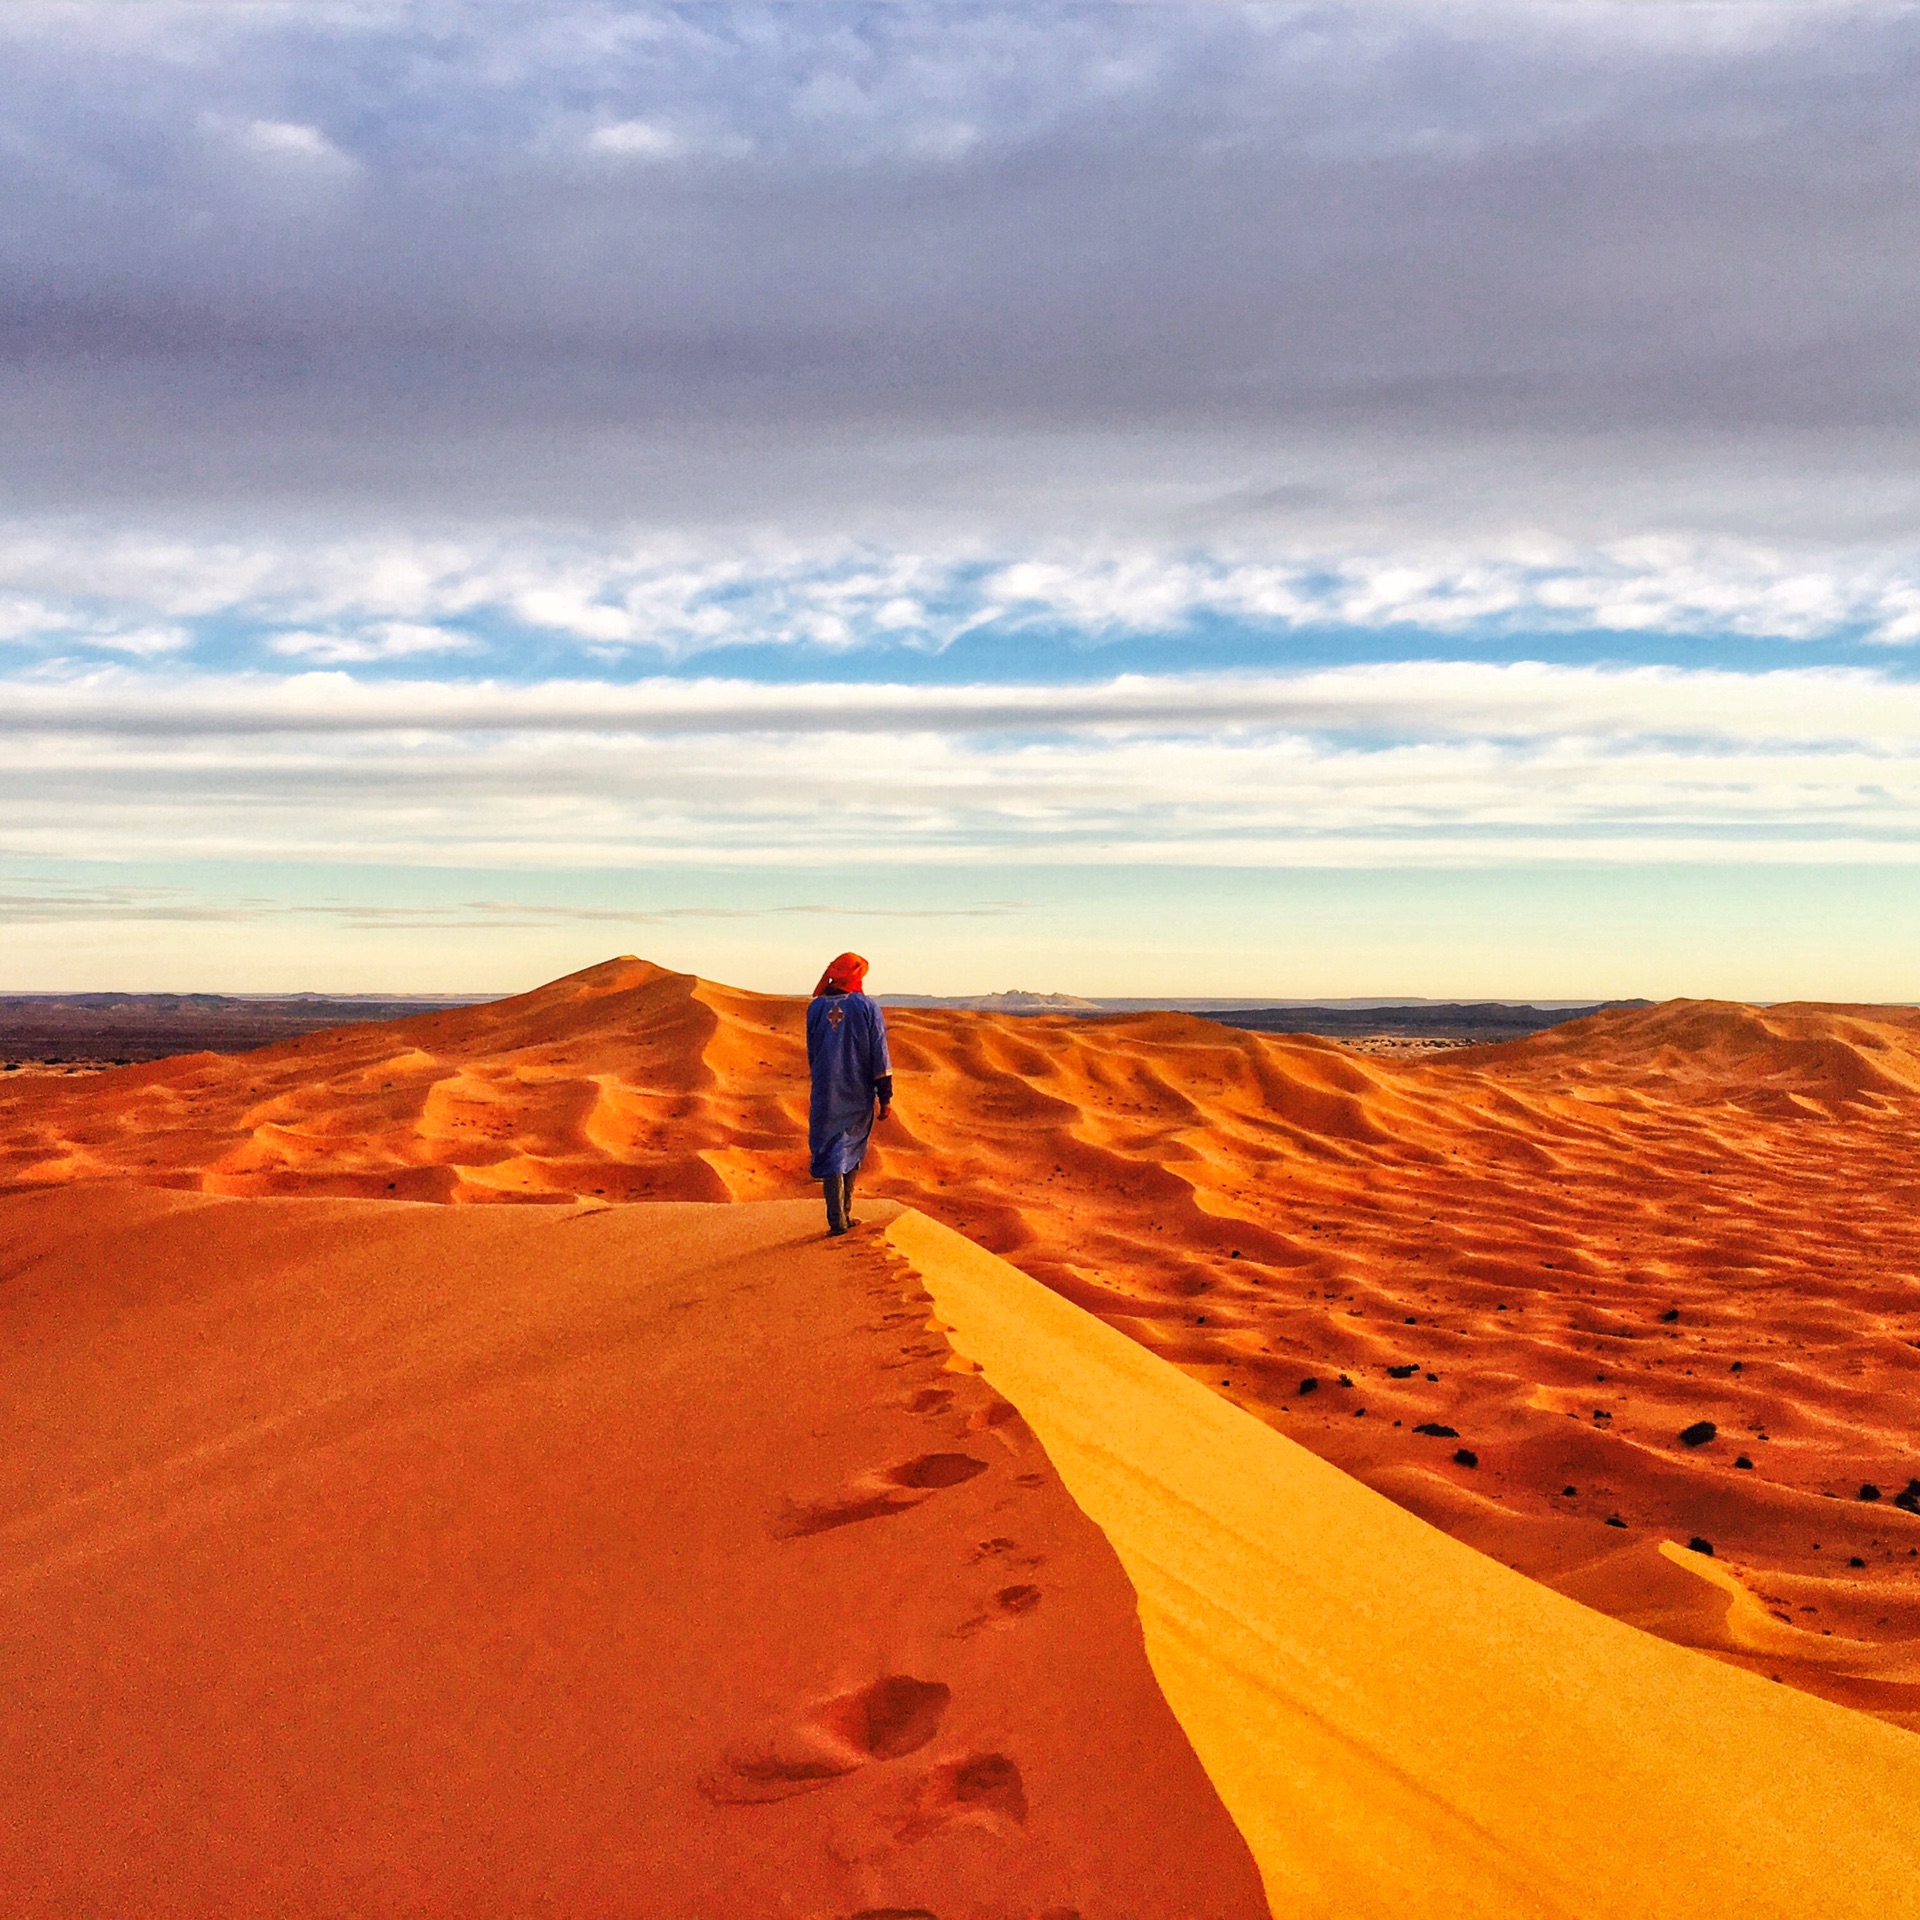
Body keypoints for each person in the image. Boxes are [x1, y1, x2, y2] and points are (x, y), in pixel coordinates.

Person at [806, 951, 892, 1236]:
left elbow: (812, 1051)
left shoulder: (816, 1008)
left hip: (824, 1090)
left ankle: (838, 1217)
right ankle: (841, 1216)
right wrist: (885, 1096)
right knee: (851, 1147)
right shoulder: (866, 1006)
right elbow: (879, 1052)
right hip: (856, 1089)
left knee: (831, 1146)